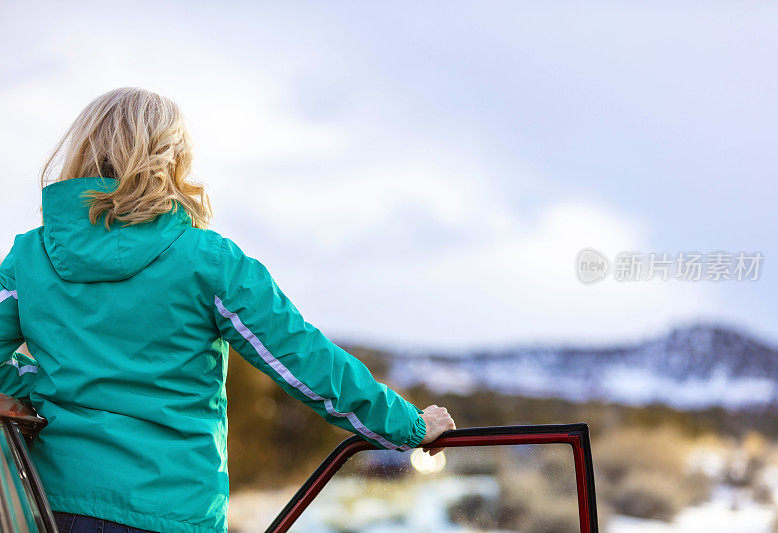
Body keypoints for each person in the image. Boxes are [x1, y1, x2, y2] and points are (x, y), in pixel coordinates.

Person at [0, 87, 456, 533]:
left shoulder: (28, 258)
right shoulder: (210, 261)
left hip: (47, 507)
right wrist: (408, 425)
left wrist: (39, 385)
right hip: (169, 511)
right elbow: (305, 360)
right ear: (170, 158)